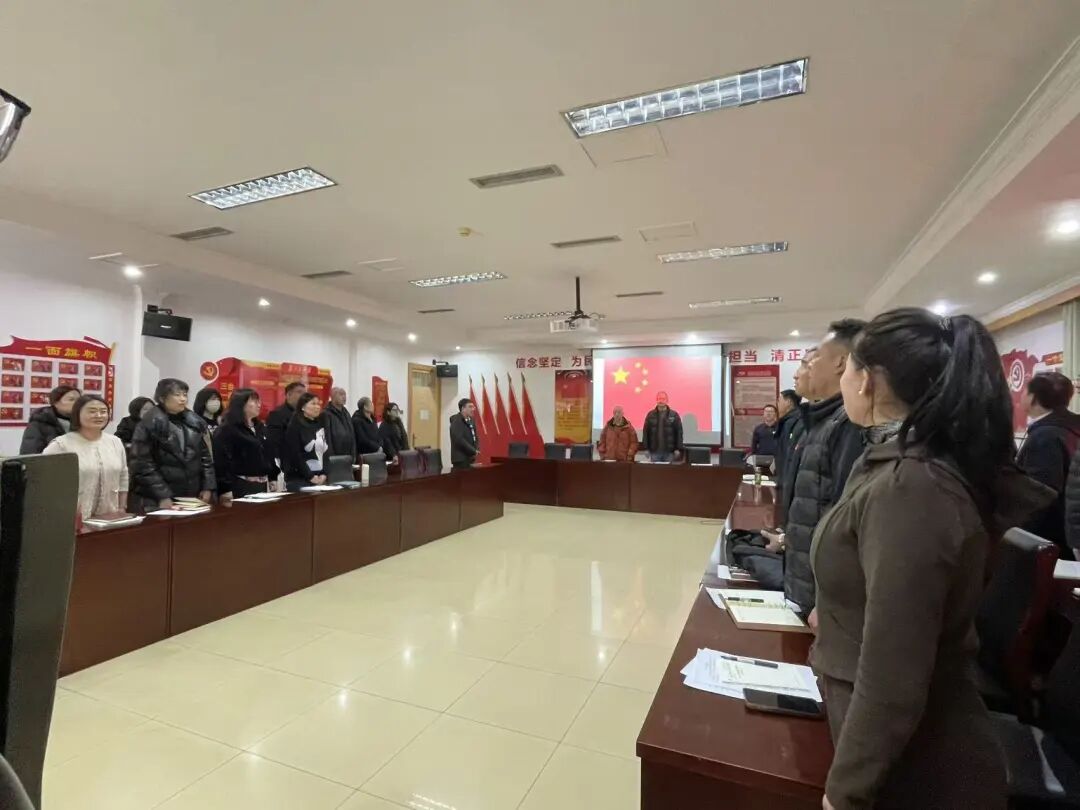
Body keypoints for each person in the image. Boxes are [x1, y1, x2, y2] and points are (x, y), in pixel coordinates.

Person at [811, 307, 1053, 810]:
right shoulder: (894, 465)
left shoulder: (911, 486)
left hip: (919, 769)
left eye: (849, 368)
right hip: (883, 739)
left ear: (868, 381)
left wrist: (844, 792)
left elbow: (893, 670)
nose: (845, 380)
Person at [766, 321, 866, 616]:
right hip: (806, 578)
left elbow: (845, 520)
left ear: (840, 363)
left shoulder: (848, 424)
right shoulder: (820, 420)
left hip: (825, 595)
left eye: (814, 358)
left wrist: (829, 601)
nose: (804, 369)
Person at [1016, 371, 1080, 553]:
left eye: (1025, 391)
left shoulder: (1045, 437)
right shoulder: (1070, 427)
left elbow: (1040, 494)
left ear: (1033, 398)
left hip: (1051, 541)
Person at [129, 378, 215, 512]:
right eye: (177, 395)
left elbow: (205, 458)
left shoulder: (194, 422)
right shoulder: (149, 423)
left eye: (185, 395)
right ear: (162, 398)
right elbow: (142, 464)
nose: (183, 399)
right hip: (158, 496)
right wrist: (162, 495)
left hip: (192, 494)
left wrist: (207, 486)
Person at [42, 394, 129, 519]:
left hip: (108, 516)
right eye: (92, 411)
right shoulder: (61, 445)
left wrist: (121, 507)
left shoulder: (115, 442)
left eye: (103, 411)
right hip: (70, 518)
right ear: (77, 414)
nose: (98, 415)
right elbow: (45, 482)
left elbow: (123, 476)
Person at [213, 388, 279, 501]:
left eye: (259, 401)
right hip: (240, 484)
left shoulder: (260, 427)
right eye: (254, 401)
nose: (259, 405)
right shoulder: (227, 429)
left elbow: (269, 453)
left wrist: (273, 476)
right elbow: (221, 462)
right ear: (241, 404)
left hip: (262, 484)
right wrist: (225, 488)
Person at [281, 392, 329, 491]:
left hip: (319, 476)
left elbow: (325, 450)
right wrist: (310, 476)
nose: (317, 407)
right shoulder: (295, 426)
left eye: (318, 404)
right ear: (302, 407)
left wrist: (324, 473)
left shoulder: (320, 425)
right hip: (299, 478)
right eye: (313, 404)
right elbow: (295, 455)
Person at [19, 384, 80, 454]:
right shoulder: (39, 423)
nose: (77, 403)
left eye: (79, 400)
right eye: (71, 399)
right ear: (56, 403)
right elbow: (30, 454)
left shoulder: (83, 422)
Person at [266, 381, 306, 462]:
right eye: (299, 392)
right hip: (286, 460)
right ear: (288, 395)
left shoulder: (305, 414)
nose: (303, 396)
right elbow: (274, 442)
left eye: (304, 393)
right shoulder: (277, 414)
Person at [642, 392, 683, 462]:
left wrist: (678, 448)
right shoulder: (650, 415)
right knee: (655, 469)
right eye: (659, 399)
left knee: (668, 469)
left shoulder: (674, 415)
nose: (661, 401)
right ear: (656, 400)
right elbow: (646, 432)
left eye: (663, 399)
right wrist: (646, 448)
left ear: (667, 400)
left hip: (670, 452)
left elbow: (679, 432)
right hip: (654, 452)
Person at [324, 386, 357, 459]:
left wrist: (354, 454)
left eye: (345, 394)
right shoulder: (327, 414)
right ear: (332, 396)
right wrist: (331, 457)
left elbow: (352, 434)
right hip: (335, 456)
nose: (344, 397)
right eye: (341, 394)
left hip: (348, 455)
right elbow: (327, 438)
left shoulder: (346, 413)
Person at [449, 397, 481, 469]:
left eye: (473, 407)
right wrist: (473, 450)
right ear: (463, 408)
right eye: (470, 407)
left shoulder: (471, 420)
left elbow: (475, 436)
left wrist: (477, 448)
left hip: (470, 457)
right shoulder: (456, 421)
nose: (473, 409)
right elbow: (459, 440)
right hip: (460, 459)